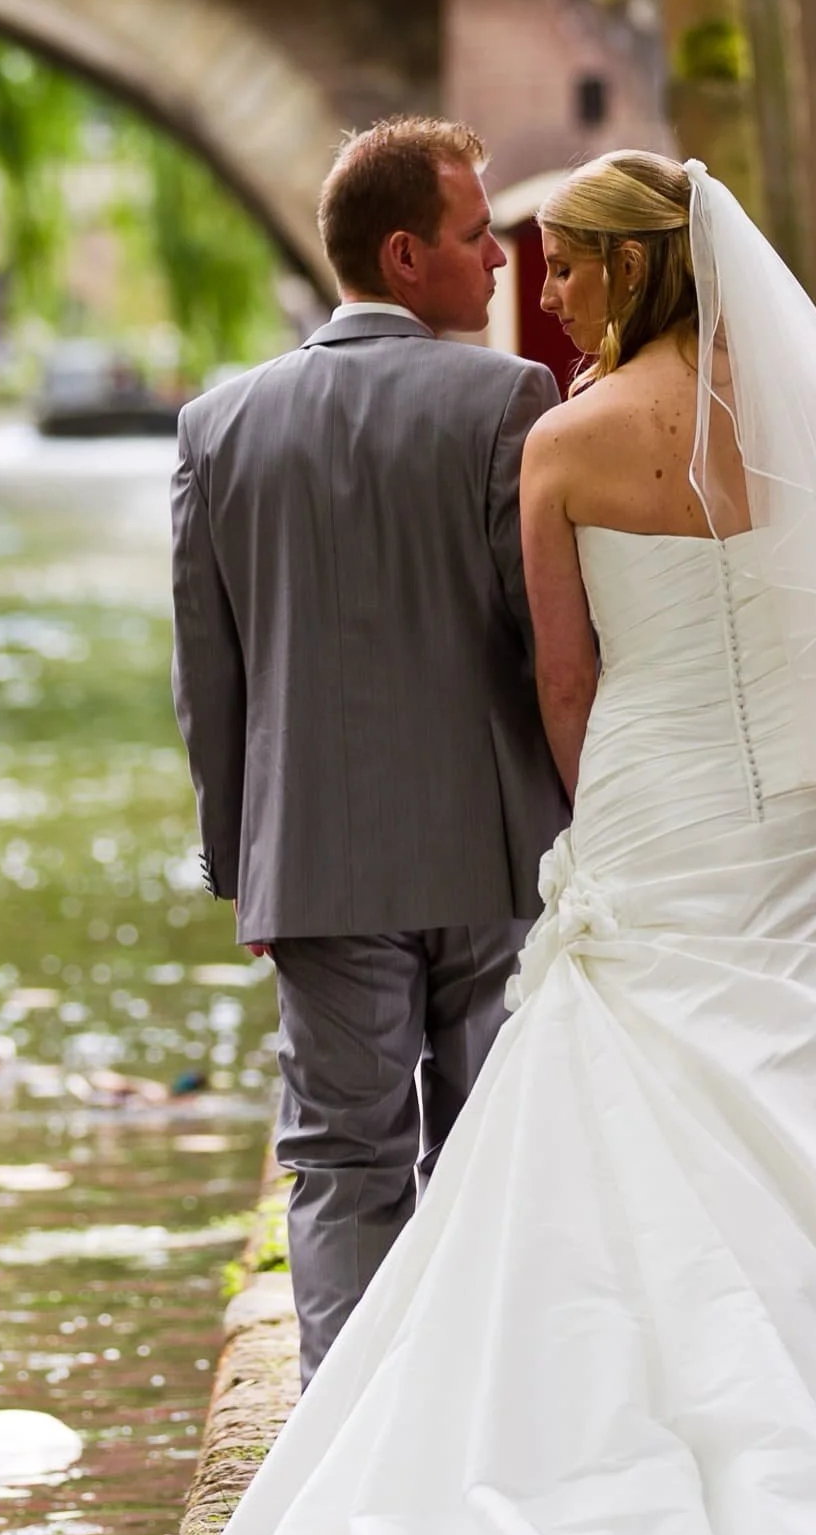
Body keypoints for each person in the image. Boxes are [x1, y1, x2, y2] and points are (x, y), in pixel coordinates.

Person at [199, 151, 816, 1535]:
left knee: (573, 1110)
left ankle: (543, 1430)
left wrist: (604, 821)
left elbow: (567, 677)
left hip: (651, 790)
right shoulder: (809, 413)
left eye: (573, 265)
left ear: (637, 267)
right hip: (794, 807)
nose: (552, 291)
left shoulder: (565, 441)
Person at [168, 118, 567, 1389]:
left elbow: (208, 674)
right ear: (404, 256)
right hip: (489, 849)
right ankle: (484, 1417)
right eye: (473, 236)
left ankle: (345, 1447)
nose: (502, 260)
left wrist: (243, 861)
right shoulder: (507, 402)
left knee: (341, 1163)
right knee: (494, 1149)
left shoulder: (216, 427)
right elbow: (541, 633)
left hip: (318, 864)